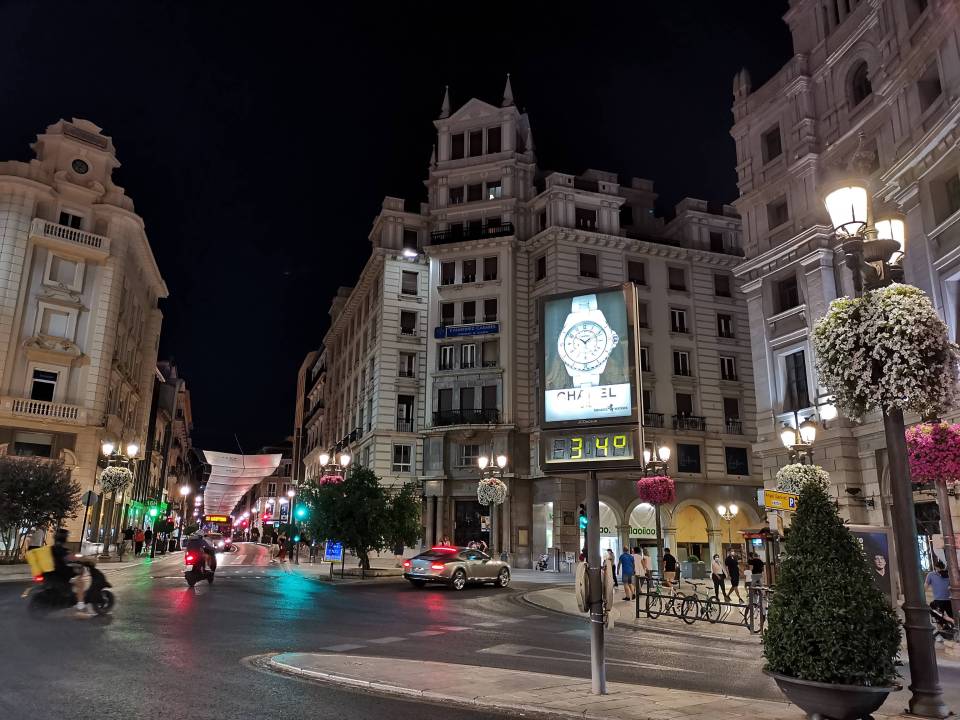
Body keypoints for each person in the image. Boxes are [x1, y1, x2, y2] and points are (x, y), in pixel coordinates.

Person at [926, 560, 954, 625]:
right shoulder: (950, 574)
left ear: (936, 567)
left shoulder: (931, 574)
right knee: (952, 615)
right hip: (950, 600)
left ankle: (947, 622)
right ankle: (950, 622)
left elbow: (925, 586)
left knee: (933, 609)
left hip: (939, 601)